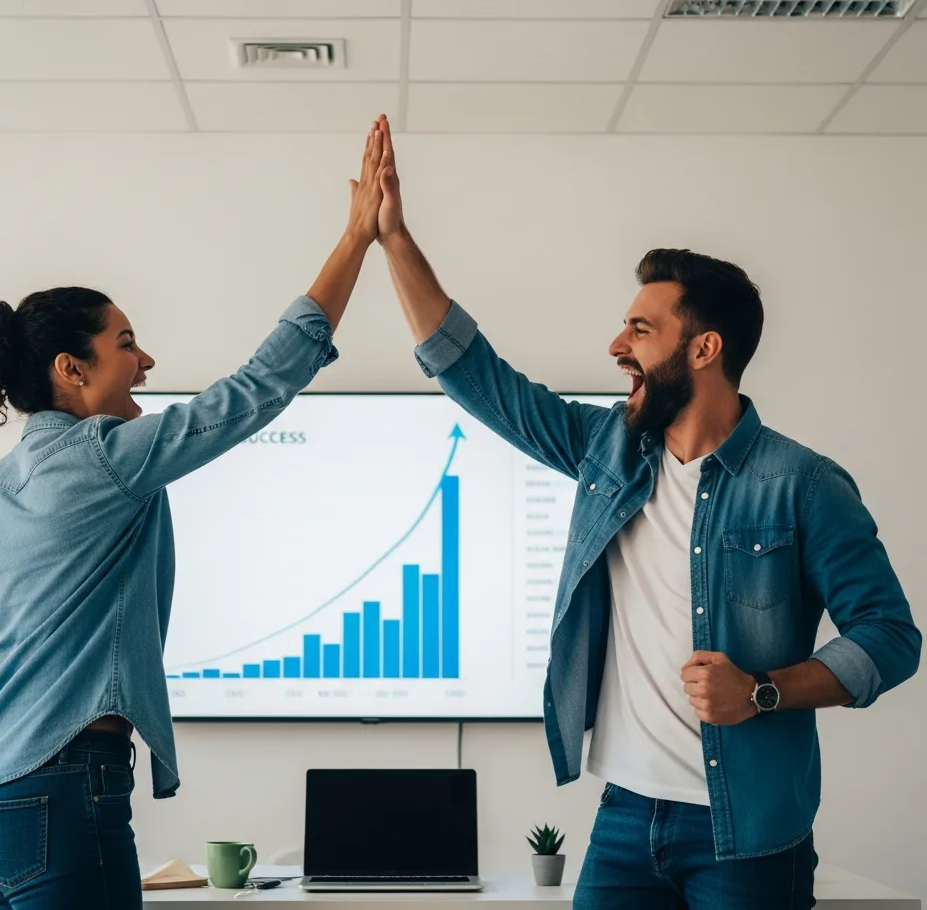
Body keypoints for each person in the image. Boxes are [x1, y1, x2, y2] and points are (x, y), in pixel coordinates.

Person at [370, 115, 921, 909]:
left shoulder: (801, 483)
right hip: (626, 819)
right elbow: (476, 376)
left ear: (704, 350)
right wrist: (394, 241)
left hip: (748, 833)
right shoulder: (609, 452)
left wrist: (762, 691)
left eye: (639, 328)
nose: (614, 344)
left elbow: (892, 638)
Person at [0, 124, 391, 910]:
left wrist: (4, 752)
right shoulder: (107, 454)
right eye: (126, 343)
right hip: (66, 795)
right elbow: (259, 387)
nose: (146, 362)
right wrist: (353, 241)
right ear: (72, 371)